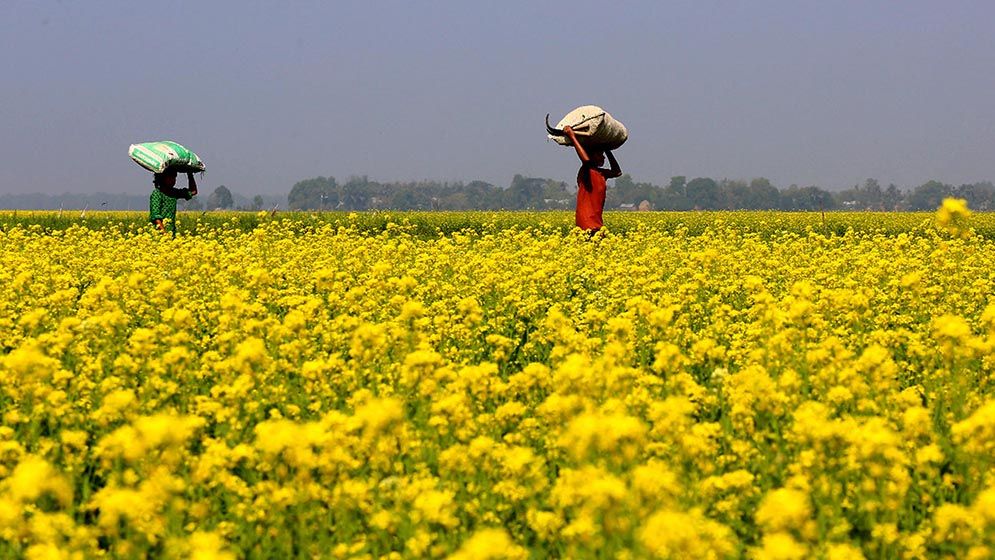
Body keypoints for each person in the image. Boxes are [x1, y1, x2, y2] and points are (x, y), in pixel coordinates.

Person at [563, 126, 622, 233]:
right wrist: (572, 137)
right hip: (586, 223)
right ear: (591, 155)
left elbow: (617, 172)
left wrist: (607, 150)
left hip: (597, 222)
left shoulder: (601, 173)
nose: (603, 158)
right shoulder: (587, 170)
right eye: (600, 154)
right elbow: (586, 160)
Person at [150, 169, 197, 235]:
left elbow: (193, 191)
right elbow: (156, 217)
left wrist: (190, 175)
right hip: (159, 234)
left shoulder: (174, 192)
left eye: (174, 177)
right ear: (162, 178)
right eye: (170, 177)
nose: (173, 180)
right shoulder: (157, 194)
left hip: (171, 233)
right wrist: (164, 233)